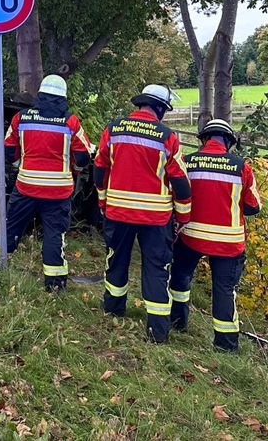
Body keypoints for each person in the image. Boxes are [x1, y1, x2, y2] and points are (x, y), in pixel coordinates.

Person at [94, 84, 192, 343]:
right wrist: (182, 217)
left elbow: (99, 168)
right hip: (155, 217)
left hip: (118, 211)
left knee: (116, 259)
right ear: (159, 109)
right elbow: (180, 181)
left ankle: (113, 310)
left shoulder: (113, 129)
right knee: (157, 268)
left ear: (141, 104)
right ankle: (158, 331)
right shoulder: (167, 136)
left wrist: (103, 202)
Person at [0, 75, 91, 290]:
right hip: (58, 192)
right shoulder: (70, 121)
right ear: (63, 97)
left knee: (12, 225)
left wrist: (20, 165)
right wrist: (74, 169)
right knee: (54, 233)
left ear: (40, 94)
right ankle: (54, 284)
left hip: (26, 186)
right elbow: (83, 156)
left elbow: (8, 150)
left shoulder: (21, 118)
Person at [170, 119, 261, 353]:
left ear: (204, 140)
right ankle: (226, 344)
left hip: (191, 236)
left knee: (180, 279)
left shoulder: (188, 162)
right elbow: (254, 206)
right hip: (228, 243)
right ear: (229, 142)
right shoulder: (241, 166)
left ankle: (177, 323)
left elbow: (176, 194)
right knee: (224, 290)